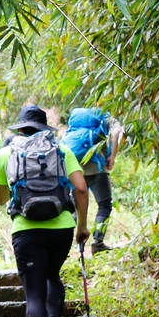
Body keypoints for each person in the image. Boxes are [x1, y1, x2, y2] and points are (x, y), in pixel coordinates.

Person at [0, 105, 89, 317]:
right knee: (52, 274)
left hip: (27, 231)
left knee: (33, 293)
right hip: (62, 228)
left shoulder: (7, 154)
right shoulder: (62, 151)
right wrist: (82, 226)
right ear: (45, 129)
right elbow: (80, 188)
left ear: (20, 128)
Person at [60, 108, 123, 253]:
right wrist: (112, 156)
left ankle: (66, 247)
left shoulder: (77, 117)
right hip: (96, 166)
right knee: (105, 204)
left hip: (75, 167)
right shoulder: (105, 116)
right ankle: (98, 243)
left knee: (74, 207)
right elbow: (116, 132)